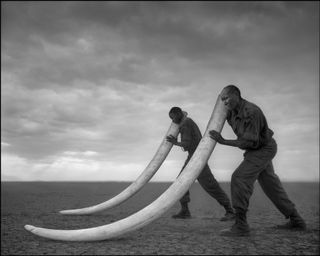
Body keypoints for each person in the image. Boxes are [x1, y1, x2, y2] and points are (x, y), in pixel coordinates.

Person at [209, 85, 306, 237]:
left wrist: (223, 141)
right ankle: (297, 220)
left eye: (227, 98)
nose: (225, 102)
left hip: (262, 149)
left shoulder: (251, 112)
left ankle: (241, 225)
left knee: (239, 178)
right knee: (270, 185)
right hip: (255, 149)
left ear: (236, 94)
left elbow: (249, 142)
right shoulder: (230, 112)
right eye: (222, 100)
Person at [166, 106, 235, 221]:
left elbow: (186, 144)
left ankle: (230, 211)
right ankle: (185, 211)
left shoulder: (186, 124)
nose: (173, 121)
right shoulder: (187, 121)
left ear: (178, 114)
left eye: (173, 118)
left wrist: (175, 142)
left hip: (197, 159)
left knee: (210, 185)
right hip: (193, 157)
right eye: (171, 119)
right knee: (180, 183)